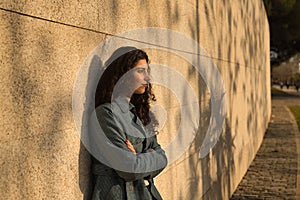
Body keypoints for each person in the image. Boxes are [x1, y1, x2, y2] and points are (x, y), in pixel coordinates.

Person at [91, 46, 167, 200]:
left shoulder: (141, 113)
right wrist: (149, 155)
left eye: (147, 71)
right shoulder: (105, 114)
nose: (147, 77)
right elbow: (129, 169)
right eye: (140, 71)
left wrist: (139, 156)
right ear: (122, 75)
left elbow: (163, 158)